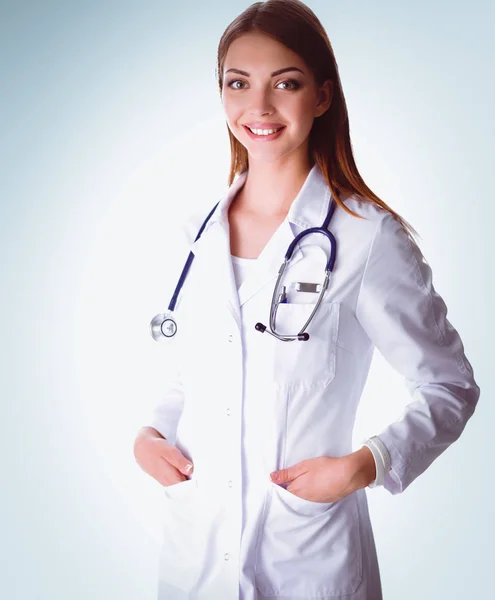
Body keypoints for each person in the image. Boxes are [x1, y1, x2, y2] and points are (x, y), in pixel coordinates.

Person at [133, 1, 480, 598]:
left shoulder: (365, 236)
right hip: (195, 555)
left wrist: (364, 464)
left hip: (309, 558)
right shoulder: (194, 232)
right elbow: (189, 373)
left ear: (321, 97)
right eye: (237, 83)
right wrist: (151, 434)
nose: (258, 107)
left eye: (284, 84)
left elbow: (449, 386)